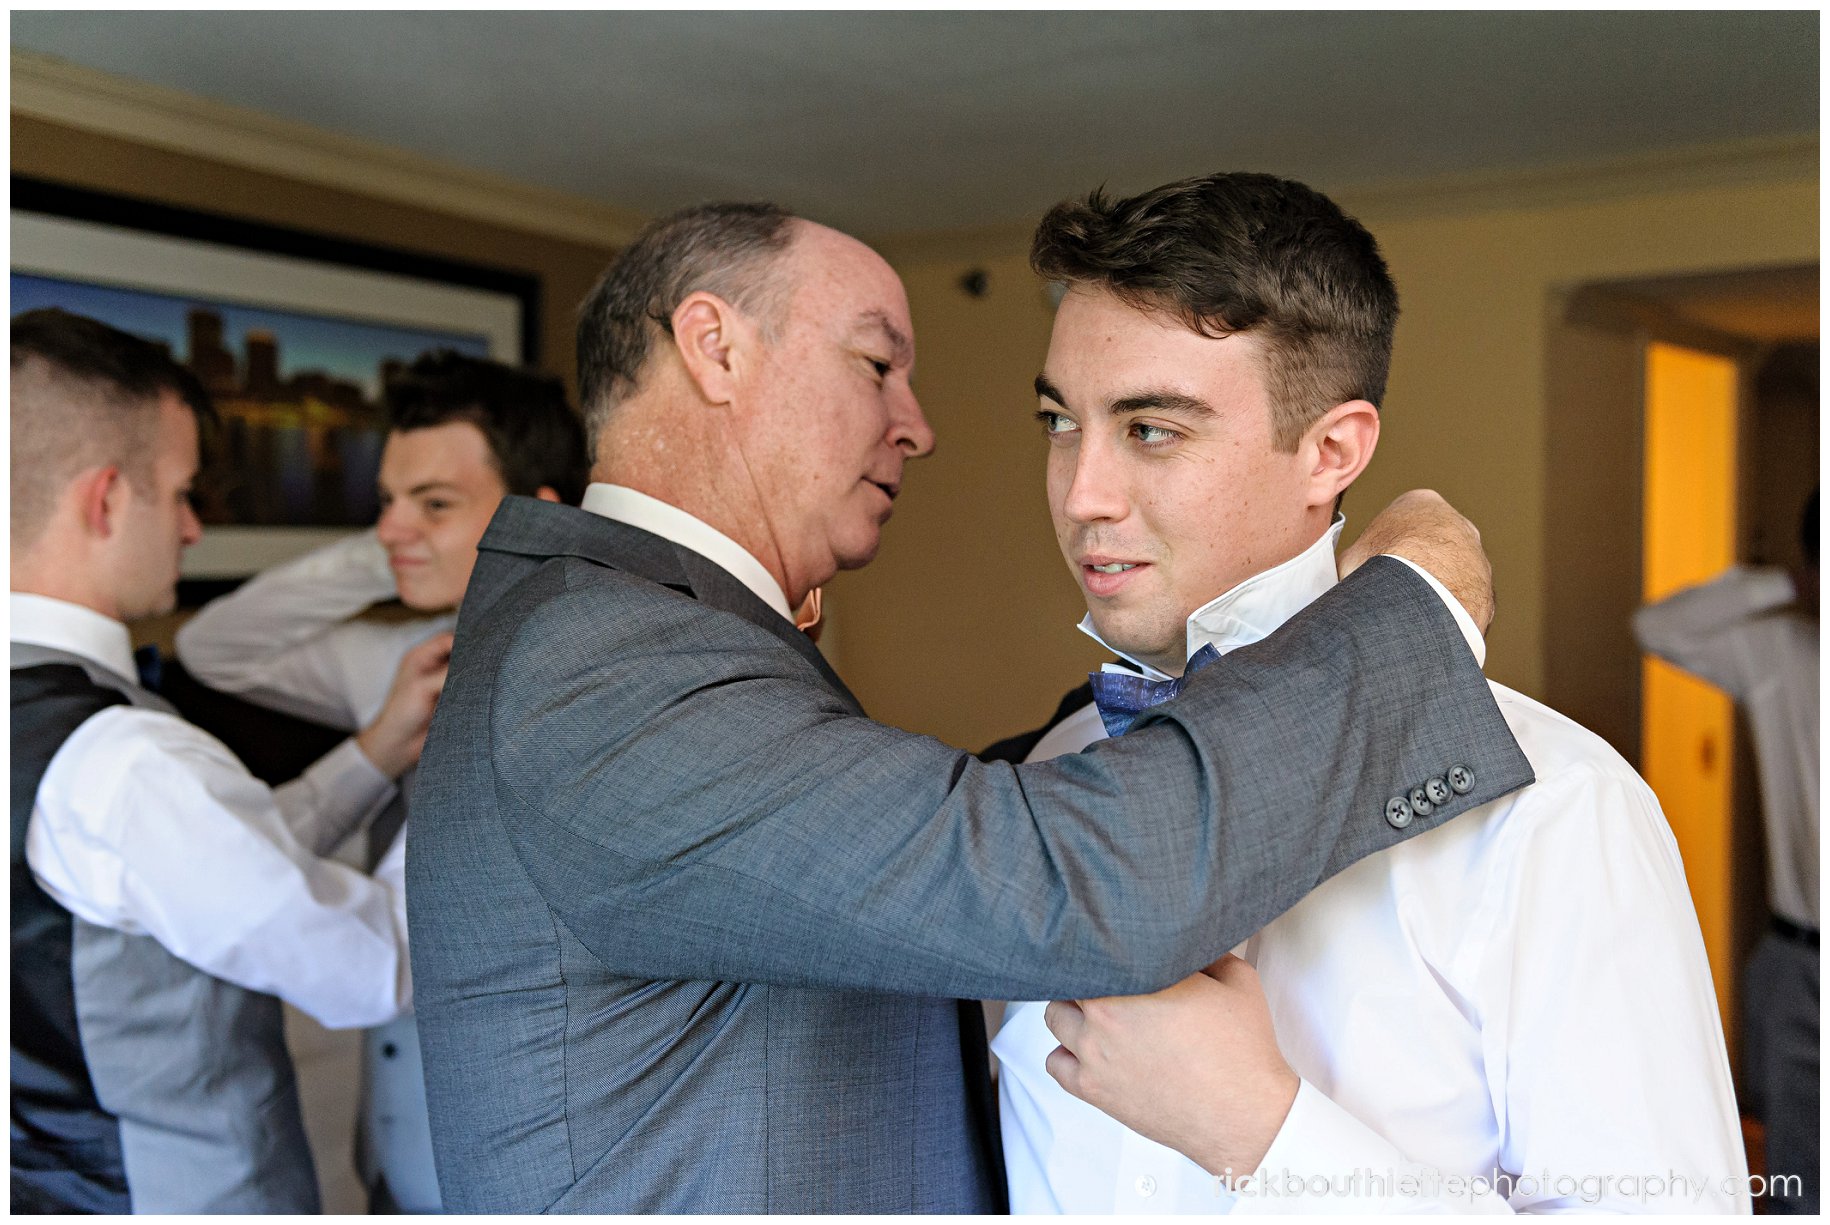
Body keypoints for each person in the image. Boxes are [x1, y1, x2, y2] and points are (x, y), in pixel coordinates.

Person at [406, 201, 1535, 1213]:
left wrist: (1091, 740)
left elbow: (846, 846)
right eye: (875, 364)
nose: (918, 423)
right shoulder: (603, 667)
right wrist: (1411, 618)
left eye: (1149, 427)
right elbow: (1054, 884)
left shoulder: (631, 634)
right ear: (715, 348)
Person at [996, 172, 1746, 1213]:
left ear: (1332, 451)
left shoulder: (1553, 809)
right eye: (1060, 422)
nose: (1081, 494)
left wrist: (1262, 1131)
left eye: (1151, 428)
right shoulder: (1045, 776)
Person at [9, 308, 439, 1212]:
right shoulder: (126, 762)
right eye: (183, 493)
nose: (196, 528)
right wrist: (452, 774)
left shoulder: (94, 755)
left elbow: (189, 873)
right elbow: (373, 963)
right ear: (107, 499)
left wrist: (371, 755)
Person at [174, 350, 590, 1212]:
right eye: (385, 502)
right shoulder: (402, 664)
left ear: (534, 517)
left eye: (433, 501)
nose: (393, 525)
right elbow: (213, 647)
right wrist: (395, 548)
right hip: (394, 1153)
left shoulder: (597, 688)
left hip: (543, 1169)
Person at [1634, 490, 1819, 1214]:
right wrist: (1786, 585)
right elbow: (1656, 625)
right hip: (1794, 963)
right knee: (1795, 1173)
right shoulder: (1777, 650)